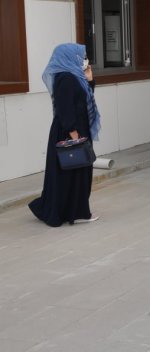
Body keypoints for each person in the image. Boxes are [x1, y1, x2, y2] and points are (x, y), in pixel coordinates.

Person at [29, 43, 101, 227]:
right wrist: (75, 135)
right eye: (81, 56)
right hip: (69, 132)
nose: (84, 60)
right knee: (72, 174)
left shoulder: (75, 76)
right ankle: (74, 212)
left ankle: (71, 211)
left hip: (78, 129)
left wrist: (89, 80)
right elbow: (65, 109)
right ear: (68, 57)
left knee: (78, 173)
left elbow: (83, 100)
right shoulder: (65, 78)